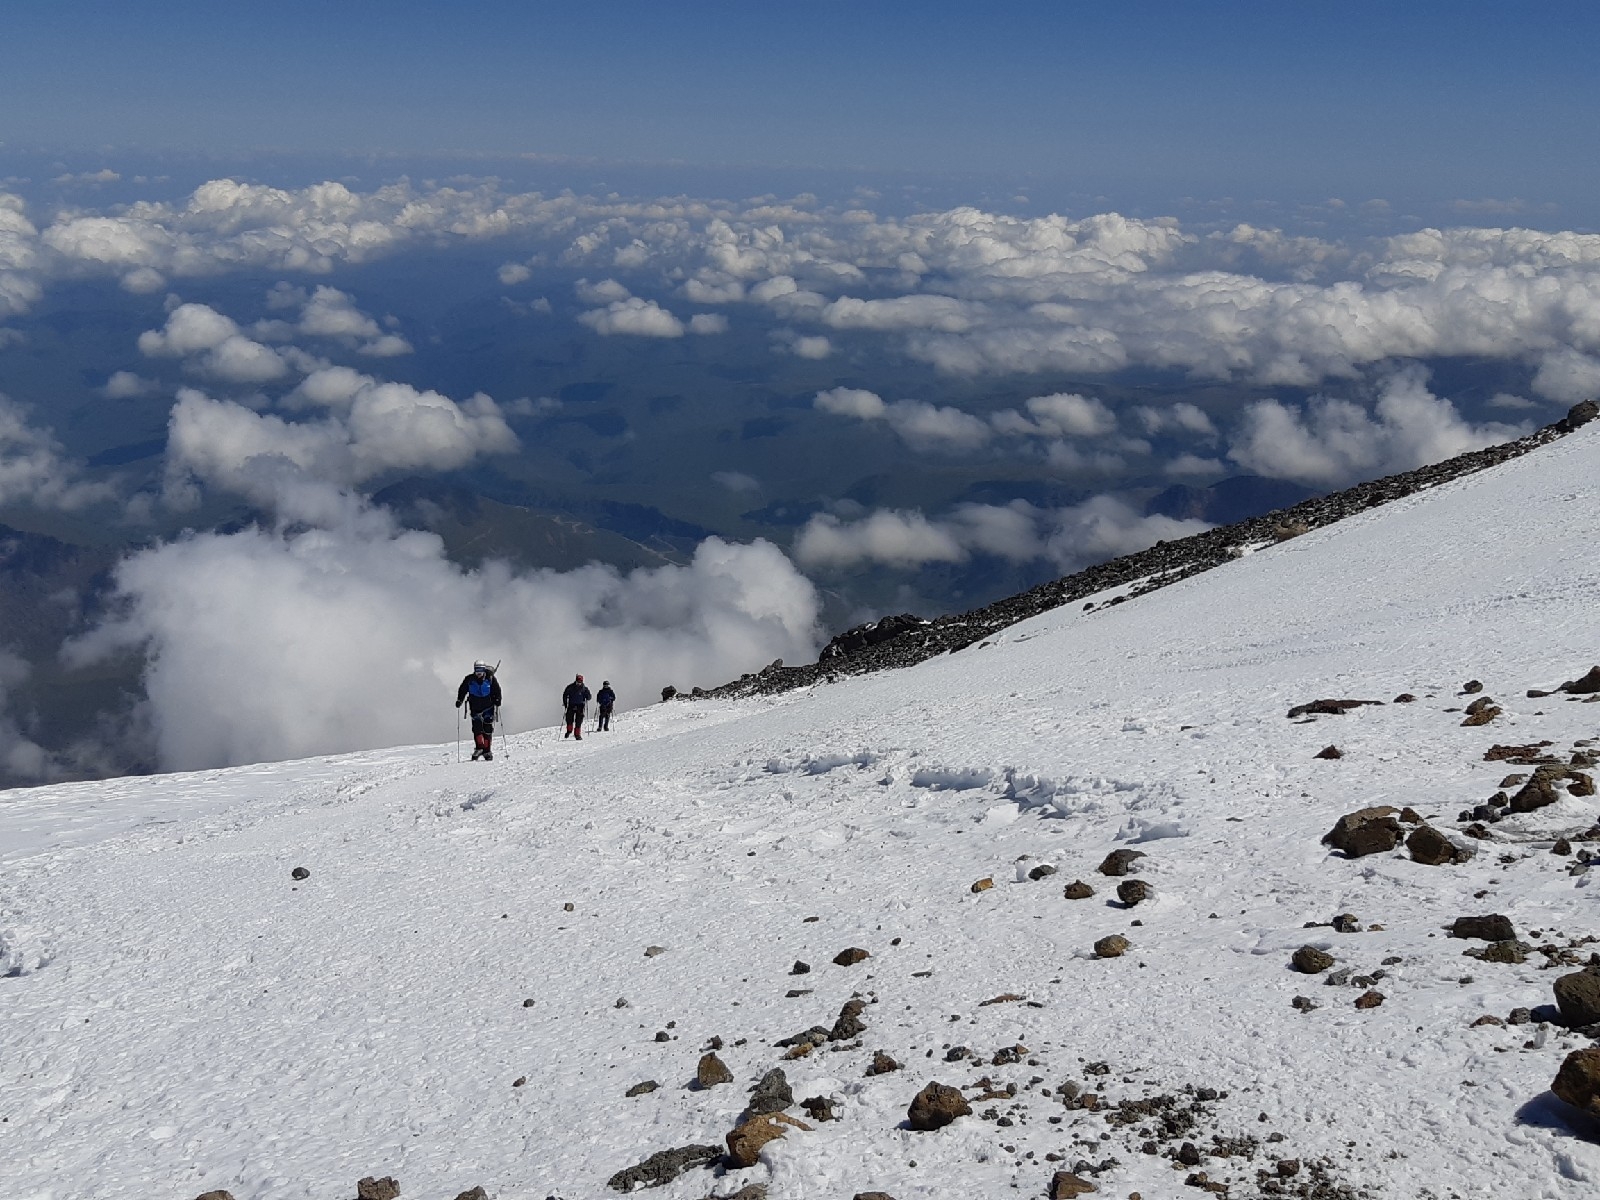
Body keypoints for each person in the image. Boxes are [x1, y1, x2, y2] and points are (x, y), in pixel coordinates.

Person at [455, 660, 502, 761]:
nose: (479, 673)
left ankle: (487, 750)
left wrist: (498, 700)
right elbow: (462, 689)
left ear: (484, 670)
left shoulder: (490, 679)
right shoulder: (469, 680)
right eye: (477, 670)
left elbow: (497, 690)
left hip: (488, 706)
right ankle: (479, 747)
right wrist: (460, 700)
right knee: (477, 728)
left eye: (480, 670)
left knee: (487, 728)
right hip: (475, 707)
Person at [562, 673, 591, 739]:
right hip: (571, 705)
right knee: (569, 719)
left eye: (580, 681)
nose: (579, 682)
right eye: (578, 681)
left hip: (580, 706)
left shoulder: (584, 689)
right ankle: (569, 731)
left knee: (578, 721)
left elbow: (589, 697)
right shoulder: (570, 687)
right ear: (576, 680)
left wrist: (587, 696)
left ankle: (577, 735)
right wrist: (565, 703)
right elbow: (565, 694)